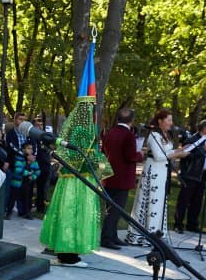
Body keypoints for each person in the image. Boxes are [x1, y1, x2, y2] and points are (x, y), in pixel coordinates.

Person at [40, 86, 112, 267]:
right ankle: (69, 255)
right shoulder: (84, 132)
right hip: (78, 181)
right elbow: (84, 157)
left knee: (66, 214)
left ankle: (65, 253)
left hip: (69, 180)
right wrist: (102, 164)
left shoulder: (74, 129)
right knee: (74, 215)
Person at [125, 110, 190, 246]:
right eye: (169, 120)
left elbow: (166, 152)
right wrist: (178, 154)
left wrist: (180, 150)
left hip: (162, 171)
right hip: (153, 170)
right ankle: (144, 236)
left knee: (159, 202)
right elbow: (159, 156)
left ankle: (157, 233)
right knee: (150, 201)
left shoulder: (165, 135)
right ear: (160, 121)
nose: (171, 123)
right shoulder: (154, 135)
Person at [100, 108, 144, 249]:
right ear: (132, 120)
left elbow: (103, 152)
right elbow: (130, 156)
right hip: (122, 177)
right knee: (115, 210)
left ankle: (112, 236)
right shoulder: (129, 135)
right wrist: (140, 154)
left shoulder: (110, 132)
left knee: (110, 208)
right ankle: (106, 238)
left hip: (109, 176)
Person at [173, 120, 206, 234]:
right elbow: (185, 156)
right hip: (190, 174)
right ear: (205, 128)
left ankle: (192, 224)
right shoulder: (192, 140)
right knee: (184, 200)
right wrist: (202, 150)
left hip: (202, 175)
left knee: (197, 201)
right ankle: (178, 224)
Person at [6, 142, 40, 220]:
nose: (31, 150)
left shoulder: (33, 159)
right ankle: (8, 213)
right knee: (13, 197)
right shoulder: (19, 157)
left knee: (27, 198)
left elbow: (37, 171)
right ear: (23, 149)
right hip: (17, 182)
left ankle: (26, 213)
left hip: (27, 182)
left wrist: (33, 176)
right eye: (28, 148)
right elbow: (18, 170)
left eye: (31, 148)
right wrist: (29, 172)